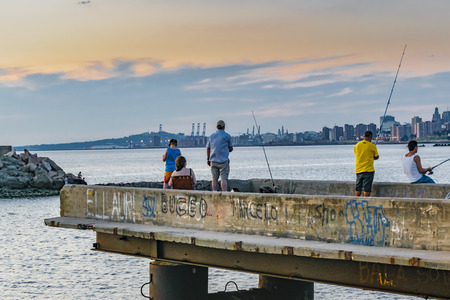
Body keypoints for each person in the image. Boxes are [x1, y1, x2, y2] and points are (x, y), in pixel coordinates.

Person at [206, 120, 233, 192]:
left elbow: (208, 148)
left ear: (216, 127)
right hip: (223, 161)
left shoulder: (211, 136)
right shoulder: (227, 136)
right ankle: (224, 193)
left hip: (213, 160)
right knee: (223, 178)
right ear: (224, 127)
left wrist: (208, 159)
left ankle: (214, 192)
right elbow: (231, 149)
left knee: (214, 178)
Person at [354, 131, 379, 197]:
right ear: (370, 138)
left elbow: (356, 152)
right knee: (367, 189)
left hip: (359, 169)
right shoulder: (372, 146)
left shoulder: (357, 145)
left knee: (358, 187)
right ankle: (365, 203)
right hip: (368, 170)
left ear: (364, 137)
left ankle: (356, 201)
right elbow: (376, 157)